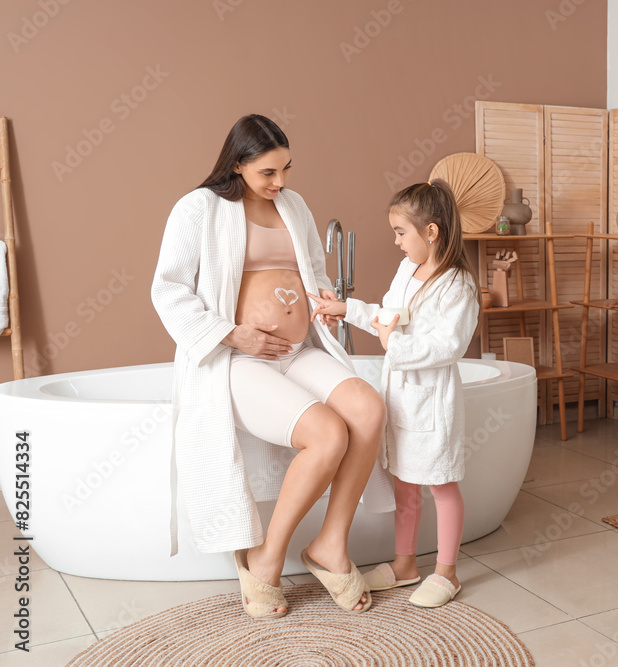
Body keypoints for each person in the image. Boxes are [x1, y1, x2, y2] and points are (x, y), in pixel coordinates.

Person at [151, 114, 393, 619]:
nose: (280, 182)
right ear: (238, 165)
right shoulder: (199, 209)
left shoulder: (294, 205)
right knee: (327, 435)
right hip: (237, 358)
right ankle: (266, 559)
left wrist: (322, 297)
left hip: (297, 352)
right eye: (268, 173)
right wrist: (231, 333)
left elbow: (310, 271)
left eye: (286, 168)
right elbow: (168, 289)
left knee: (368, 410)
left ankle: (330, 543)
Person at [307, 179, 479, 608]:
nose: (397, 242)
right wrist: (345, 311)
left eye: (402, 232)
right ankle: (405, 564)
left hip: (433, 402)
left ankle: (447, 571)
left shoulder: (457, 285)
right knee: (405, 484)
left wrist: (393, 343)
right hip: (400, 397)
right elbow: (389, 315)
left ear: (432, 232)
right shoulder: (408, 271)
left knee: (441, 484)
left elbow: (448, 346)